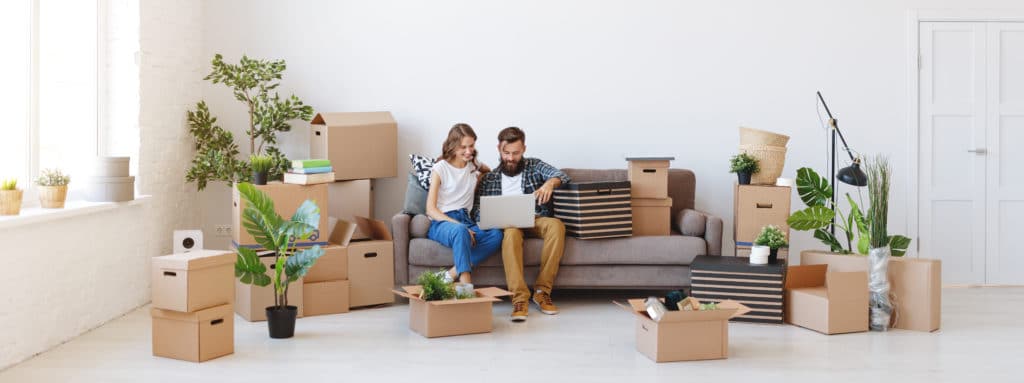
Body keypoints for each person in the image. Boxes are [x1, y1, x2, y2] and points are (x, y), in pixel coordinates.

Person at [472, 127, 570, 322]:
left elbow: (562, 176)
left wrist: (550, 183)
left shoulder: (534, 165)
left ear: (523, 148)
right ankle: (519, 298)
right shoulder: (489, 179)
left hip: (535, 218)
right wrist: (493, 217)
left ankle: (542, 291)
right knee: (510, 234)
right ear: (499, 149)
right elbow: (477, 211)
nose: (510, 158)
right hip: (509, 224)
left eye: (516, 153)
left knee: (556, 225)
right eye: (506, 153)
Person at [426, 123, 503, 284]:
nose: (469, 151)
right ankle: (465, 284)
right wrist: (461, 226)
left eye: (471, 146)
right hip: (442, 222)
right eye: (463, 147)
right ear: (453, 147)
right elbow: (431, 210)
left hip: (466, 219)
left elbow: (488, 171)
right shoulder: (440, 168)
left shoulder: (473, 165)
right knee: (461, 231)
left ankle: (450, 274)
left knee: (496, 234)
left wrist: (479, 180)